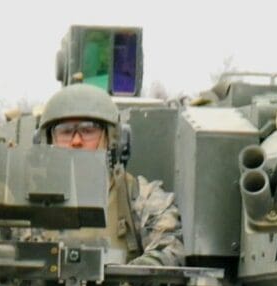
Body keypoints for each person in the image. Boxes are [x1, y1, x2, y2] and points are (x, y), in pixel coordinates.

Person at [38, 83, 183, 268]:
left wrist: (135, 273)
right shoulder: (27, 199)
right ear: (49, 140)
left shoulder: (140, 196)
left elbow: (170, 247)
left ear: (112, 138)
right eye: (65, 131)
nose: (76, 141)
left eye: (88, 130)